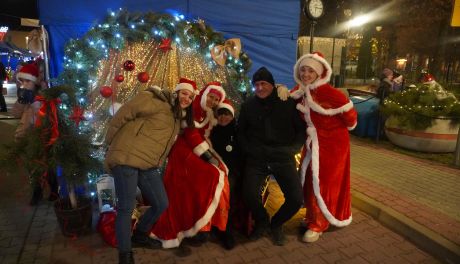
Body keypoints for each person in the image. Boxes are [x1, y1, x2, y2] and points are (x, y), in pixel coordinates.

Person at [104, 78, 196, 264]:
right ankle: (125, 255)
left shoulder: (176, 117)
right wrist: (109, 141)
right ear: (177, 92)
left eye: (191, 96)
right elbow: (124, 113)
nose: (187, 98)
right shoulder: (154, 99)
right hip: (126, 158)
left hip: (148, 164)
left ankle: (139, 235)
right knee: (126, 208)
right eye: (185, 93)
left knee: (161, 203)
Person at [150, 82, 230, 252]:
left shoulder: (208, 112)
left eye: (216, 99)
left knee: (213, 176)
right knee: (211, 175)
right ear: (204, 94)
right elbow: (191, 134)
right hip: (183, 150)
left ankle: (203, 225)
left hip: (195, 149)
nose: (213, 101)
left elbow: (203, 134)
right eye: (211, 97)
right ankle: (199, 225)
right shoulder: (193, 106)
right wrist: (208, 156)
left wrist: (212, 155)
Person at [290, 52, 357, 243]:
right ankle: (313, 217)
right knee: (311, 181)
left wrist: (332, 131)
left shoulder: (332, 94)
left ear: (318, 73)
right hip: (314, 144)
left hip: (333, 146)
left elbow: (351, 119)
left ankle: (318, 224)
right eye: (303, 69)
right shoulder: (300, 91)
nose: (305, 74)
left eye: (310, 70)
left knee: (324, 184)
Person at [238, 67, 305, 246]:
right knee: (249, 194)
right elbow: (241, 133)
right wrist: (250, 150)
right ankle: (262, 221)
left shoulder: (287, 102)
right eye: (256, 84)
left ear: (272, 85)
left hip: (282, 157)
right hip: (257, 158)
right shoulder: (248, 106)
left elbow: (301, 130)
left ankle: (276, 224)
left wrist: (293, 149)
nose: (260, 88)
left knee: (296, 199)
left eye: (264, 83)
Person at [10, 62, 58, 205]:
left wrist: (36, 101)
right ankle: (36, 191)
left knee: (48, 164)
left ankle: (54, 189)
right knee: (32, 165)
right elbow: (16, 113)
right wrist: (21, 99)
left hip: (43, 134)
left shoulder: (43, 94)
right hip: (29, 134)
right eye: (22, 81)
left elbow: (47, 113)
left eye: (27, 81)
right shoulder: (25, 93)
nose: (24, 83)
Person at [210, 99, 243, 250]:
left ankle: (226, 230)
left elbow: (242, 154)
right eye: (221, 114)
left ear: (232, 115)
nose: (223, 118)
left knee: (227, 194)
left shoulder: (237, 131)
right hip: (214, 171)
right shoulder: (212, 131)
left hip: (232, 172)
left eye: (227, 114)